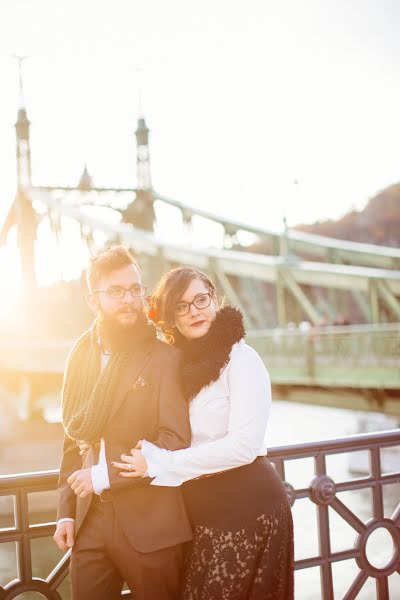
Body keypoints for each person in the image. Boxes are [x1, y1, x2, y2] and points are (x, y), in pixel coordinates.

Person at [113, 266, 294, 600]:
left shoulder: (241, 359)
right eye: (181, 306)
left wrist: (160, 463)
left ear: (214, 298)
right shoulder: (176, 367)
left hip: (248, 509)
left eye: (201, 299)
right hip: (197, 517)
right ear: (171, 317)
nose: (194, 311)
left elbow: (243, 446)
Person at [53, 246, 192, 600]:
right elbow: (73, 436)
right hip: (89, 525)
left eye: (135, 289)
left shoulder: (166, 358)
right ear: (92, 300)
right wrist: (65, 513)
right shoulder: (79, 356)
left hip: (152, 525)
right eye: (116, 291)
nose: (129, 299)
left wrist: (105, 475)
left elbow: (174, 438)